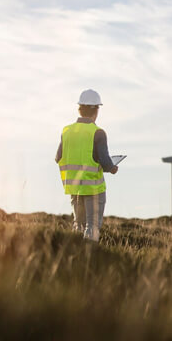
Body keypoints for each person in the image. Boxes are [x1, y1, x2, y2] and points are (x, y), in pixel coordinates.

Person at [55, 89, 118, 241]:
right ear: (96, 110)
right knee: (92, 227)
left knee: (78, 225)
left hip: (74, 188)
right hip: (93, 188)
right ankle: (89, 259)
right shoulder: (98, 133)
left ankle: (75, 257)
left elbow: (58, 158)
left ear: (80, 109)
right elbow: (105, 162)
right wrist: (113, 167)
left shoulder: (67, 131)